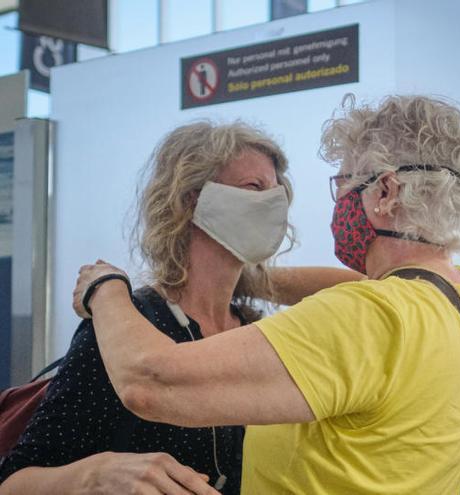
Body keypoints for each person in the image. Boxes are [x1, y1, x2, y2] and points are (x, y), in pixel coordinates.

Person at [71, 94, 460, 494]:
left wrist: (104, 286)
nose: (339, 204)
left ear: (386, 192)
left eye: (345, 184)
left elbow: (147, 381)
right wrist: (250, 280)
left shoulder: (366, 316)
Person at [0, 121, 360, 495]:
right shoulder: (126, 326)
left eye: (277, 192)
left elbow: (368, 291)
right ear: (192, 198)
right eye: (254, 188)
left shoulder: (251, 326)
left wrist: (249, 280)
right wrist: (98, 474)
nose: (274, 204)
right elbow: (14, 481)